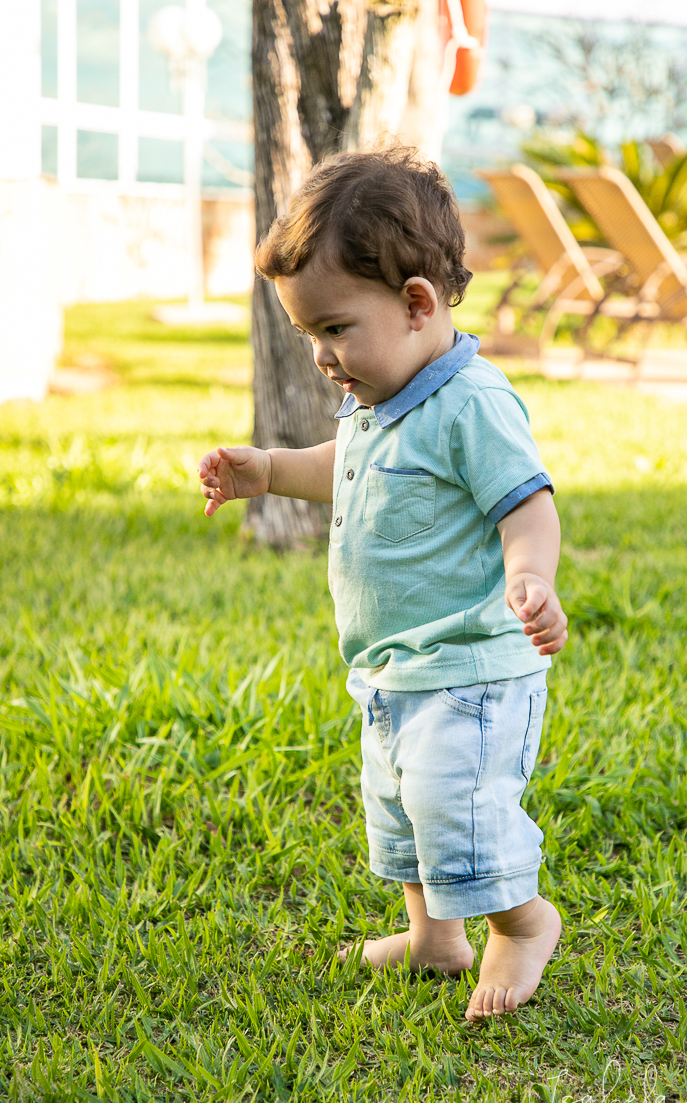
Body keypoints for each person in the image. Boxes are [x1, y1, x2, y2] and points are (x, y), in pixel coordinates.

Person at [197, 146, 568, 1022]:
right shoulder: (379, 399)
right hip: (393, 669)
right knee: (400, 809)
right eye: (306, 335)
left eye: (332, 329)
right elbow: (351, 468)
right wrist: (267, 471)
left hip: (471, 668)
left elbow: (529, 500)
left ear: (415, 304)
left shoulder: (471, 402)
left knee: (454, 806)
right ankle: (435, 939)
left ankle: (521, 923)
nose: (322, 356)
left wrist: (529, 576)